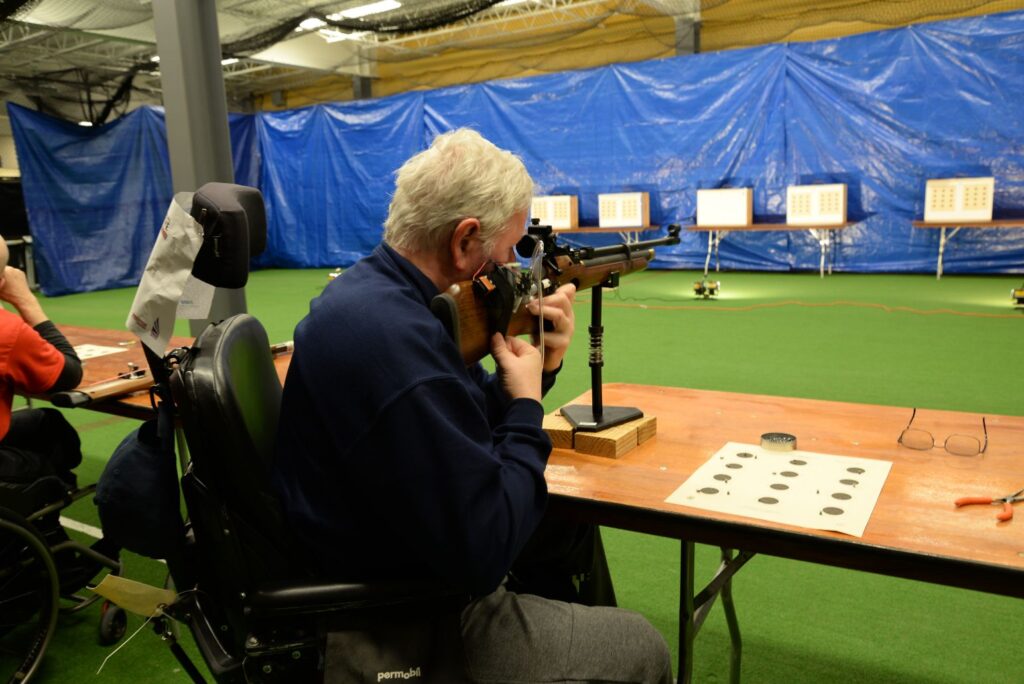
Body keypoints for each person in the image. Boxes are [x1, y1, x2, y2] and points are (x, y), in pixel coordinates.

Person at [272, 129, 672, 682]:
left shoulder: (378, 298)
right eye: (508, 252)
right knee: (642, 647)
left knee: (568, 526)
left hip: (390, 542)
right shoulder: (396, 341)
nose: (511, 268)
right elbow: (484, 551)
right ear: (464, 242)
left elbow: (454, 416)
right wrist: (526, 406)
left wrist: (541, 369)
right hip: (400, 615)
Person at [0, 238, 83, 487]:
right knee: (57, 461)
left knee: (47, 423)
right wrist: (26, 300)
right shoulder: (7, 331)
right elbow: (69, 374)